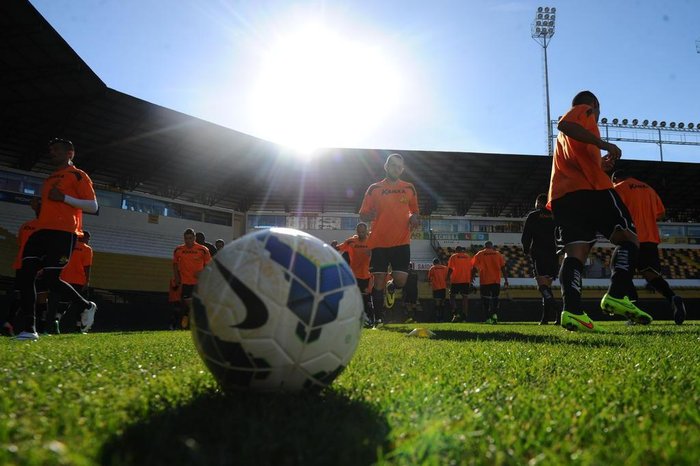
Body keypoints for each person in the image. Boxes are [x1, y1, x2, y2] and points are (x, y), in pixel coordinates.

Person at [547, 90, 651, 332]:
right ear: (594, 104)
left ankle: (572, 311)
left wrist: (600, 164)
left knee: (575, 253)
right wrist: (603, 143)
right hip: (591, 191)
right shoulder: (585, 111)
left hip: (563, 195)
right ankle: (616, 294)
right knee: (628, 238)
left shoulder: (570, 140)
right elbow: (564, 124)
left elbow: (578, 157)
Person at [14, 138, 98, 340]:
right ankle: (29, 329)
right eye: (50, 150)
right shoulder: (50, 178)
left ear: (70, 154)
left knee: (51, 280)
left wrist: (64, 198)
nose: (52, 153)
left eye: (57, 150)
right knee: (26, 275)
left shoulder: (78, 175)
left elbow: (93, 207)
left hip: (64, 233)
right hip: (41, 232)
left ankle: (87, 306)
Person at [612, 170, 686, 324]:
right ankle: (673, 297)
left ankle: (633, 310)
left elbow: (613, 211)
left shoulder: (619, 187)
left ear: (616, 179)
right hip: (651, 238)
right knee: (651, 274)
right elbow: (660, 213)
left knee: (622, 272)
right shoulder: (649, 189)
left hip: (631, 236)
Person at [359, 153, 420, 327]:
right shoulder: (374, 188)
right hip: (378, 242)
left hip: (401, 242)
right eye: (393, 165)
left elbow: (415, 211)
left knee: (401, 281)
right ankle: (378, 320)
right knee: (378, 281)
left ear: (403, 169)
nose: (397, 169)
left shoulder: (409, 187)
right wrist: (367, 215)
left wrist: (414, 218)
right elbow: (362, 214)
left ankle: (392, 287)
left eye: (400, 167)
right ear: (386, 166)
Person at [1, 198, 41, 337]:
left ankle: (8, 323)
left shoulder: (25, 226)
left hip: (21, 264)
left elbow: (20, 244)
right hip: (36, 267)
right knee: (29, 296)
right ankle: (29, 327)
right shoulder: (47, 228)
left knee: (19, 294)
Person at [522, 193, 560, 325]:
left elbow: (526, 235)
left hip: (539, 253)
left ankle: (558, 310)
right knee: (547, 286)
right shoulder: (556, 215)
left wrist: (526, 249)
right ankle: (545, 319)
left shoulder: (533, 216)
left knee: (542, 287)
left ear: (538, 203)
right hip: (554, 254)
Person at [56, 230, 94, 333]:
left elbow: (62, 261)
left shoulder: (69, 246)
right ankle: (78, 327)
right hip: (79, 280)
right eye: (88, 238)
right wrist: (87, 280)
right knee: (80, 304)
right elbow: (87, 266)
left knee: (64, 302)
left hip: (65, 279)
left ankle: (56, 320)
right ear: (84, 238)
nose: (88, 240)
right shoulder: (87, 249)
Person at [173, 228, 211, 329]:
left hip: (198, 283)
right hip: (186, 282)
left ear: (194, 238)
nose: (188, 241)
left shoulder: (203, 250)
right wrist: (177, 277)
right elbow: (175, 263)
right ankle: (187, 320)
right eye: (186, 238)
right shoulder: (179, 250)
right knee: (189, 304)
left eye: (190, 238)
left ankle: (193, 324)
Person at [338, 223, 374, 327]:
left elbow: (379, 251)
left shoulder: (372, 241)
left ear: (366, 231)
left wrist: (372, 253)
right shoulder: (351, 241)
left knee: (367, 299)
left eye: (363, 231)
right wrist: (333, 246)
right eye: (359, 231)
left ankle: (369, 320)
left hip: (367, 276)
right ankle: (353, 320)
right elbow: (339, 247)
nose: (361, 233)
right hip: (354, 276)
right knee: (353, 299)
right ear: (356, 231)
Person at [472, 241, 508, 324]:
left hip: (485, 281)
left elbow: (474, 267)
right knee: (495, 298)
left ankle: (488, 318)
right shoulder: (498, 254)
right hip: (496, 281)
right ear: (492, 246)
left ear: (485, 247)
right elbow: (503, 268)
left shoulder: (480, 254)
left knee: (485, 300)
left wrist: (471, 278)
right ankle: (495, 315)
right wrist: (506, 280)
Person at [446, 246, 473, 322]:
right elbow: (472, 268)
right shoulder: (467, 256)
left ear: (456, 251)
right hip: (466, 280)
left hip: (456, 280)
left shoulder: (454, 256)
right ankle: (465, 316)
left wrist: (447, 278)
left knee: (452, 296)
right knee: (465, 298)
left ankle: (455, 314)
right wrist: (470, 279)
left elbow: (450, 268)